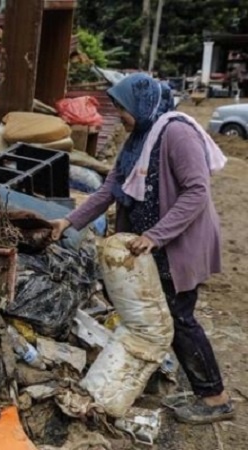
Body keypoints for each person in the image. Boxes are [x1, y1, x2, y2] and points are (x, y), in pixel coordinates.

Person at [50, 72, 233, 424]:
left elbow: (197, 191)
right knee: (156, 316)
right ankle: (191, 387)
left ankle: (216, 398)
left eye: (123, 107)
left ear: (142, 103)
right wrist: (68, 222)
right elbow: (110, 188)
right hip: (152, 245)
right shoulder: (139, 137)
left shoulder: (177, 133)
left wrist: (156, 235)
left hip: (179, 242)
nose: (120, 114)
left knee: (179, 318)